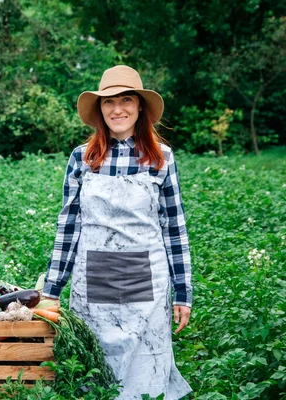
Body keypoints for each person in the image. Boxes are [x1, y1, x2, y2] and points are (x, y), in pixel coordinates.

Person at [42, 65, 193, 399]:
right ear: (100, 110)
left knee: (145, 376)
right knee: (98, 371)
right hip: (93, 278)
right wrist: (52, 290)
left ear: (140, 108)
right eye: (108, 102)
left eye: (126, 100)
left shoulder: (162, 159)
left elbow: (175, 228)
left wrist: (183, 292)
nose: (117, 109)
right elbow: (69, 226)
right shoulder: (81, 158)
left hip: (147, 281)